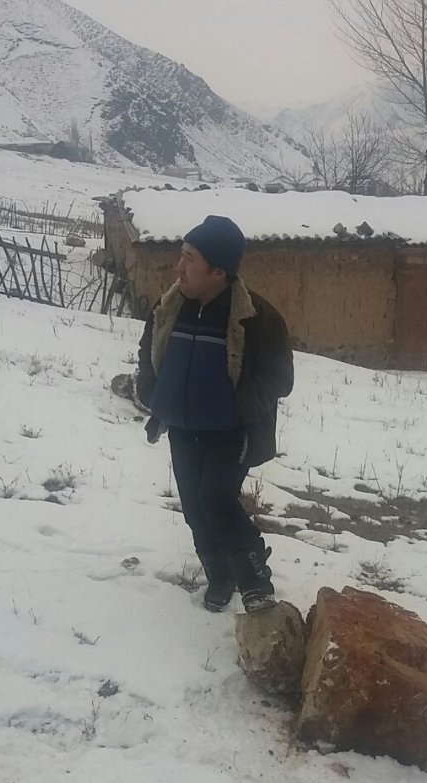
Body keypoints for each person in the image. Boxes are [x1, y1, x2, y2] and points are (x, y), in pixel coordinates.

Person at [136, 214, 294, 614]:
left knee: (216, 498)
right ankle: (220, 574)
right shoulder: (169, 307)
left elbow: (278, 377)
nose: (179, 267)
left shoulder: (256, 317)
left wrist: (237, 410)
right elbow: (148, 349)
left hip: (230, 432)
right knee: (194, 506)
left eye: (190, 258)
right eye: (181, 255)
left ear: (218, 271)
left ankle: (254, 578)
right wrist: (151, 392)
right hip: (182, 427)